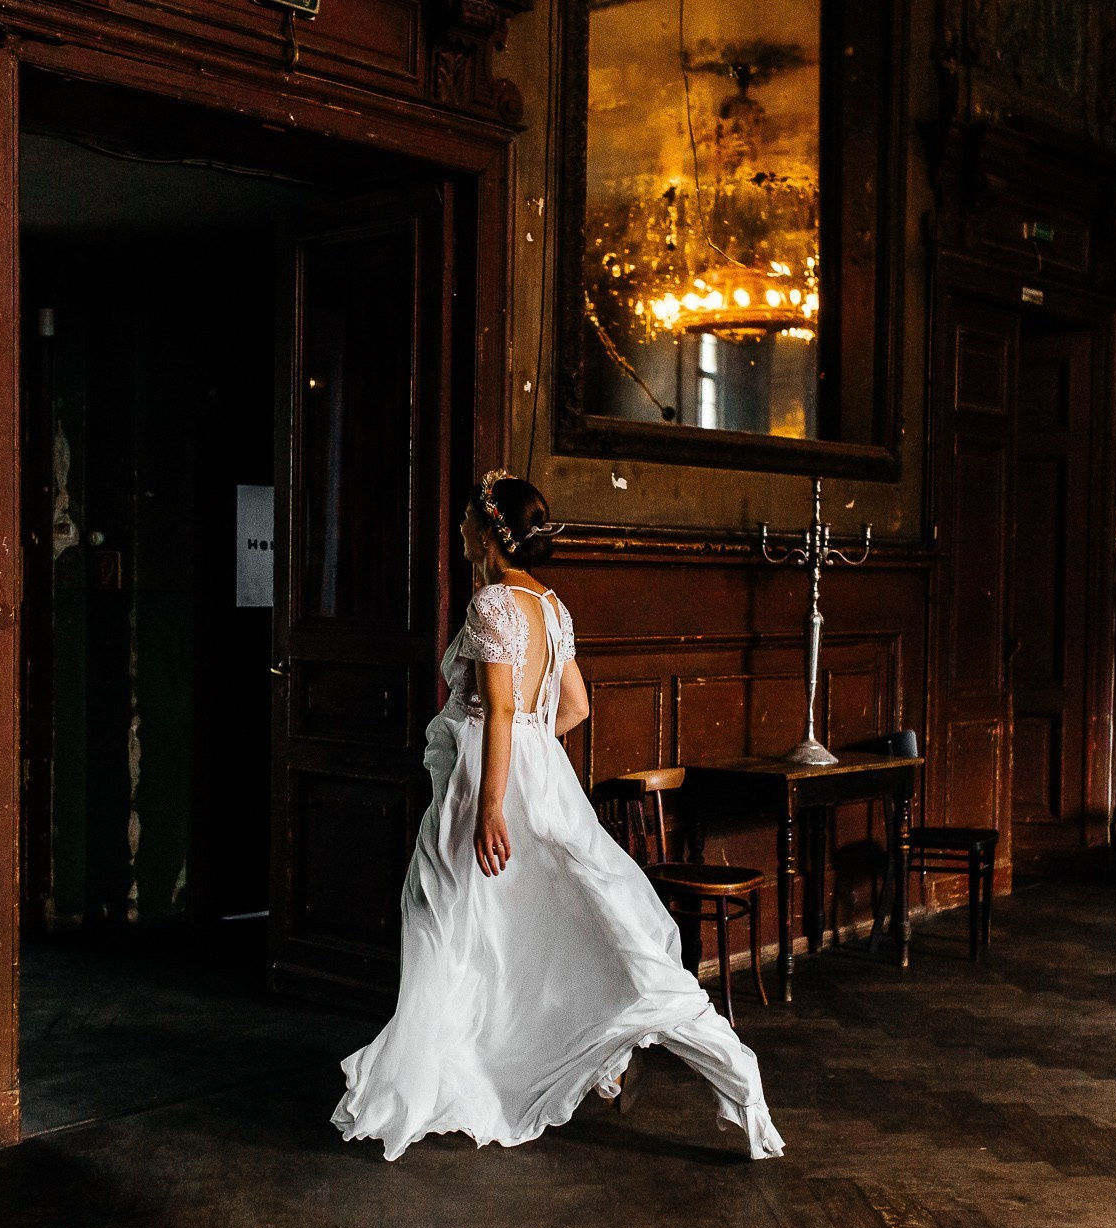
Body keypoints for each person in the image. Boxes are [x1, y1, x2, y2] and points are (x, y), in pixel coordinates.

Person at [330, 468, 786, 1161]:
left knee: (436, 914)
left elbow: (503, 708)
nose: (458, 529)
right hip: (540, 779)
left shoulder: (491, 605)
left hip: (490, 784)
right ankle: (730, 1068)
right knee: (595, 926)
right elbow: (574, 706)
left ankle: (423, 1085)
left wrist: (491, 804)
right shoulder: (550, 607)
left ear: (488, 531)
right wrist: (537, 764)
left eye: (465, 519)